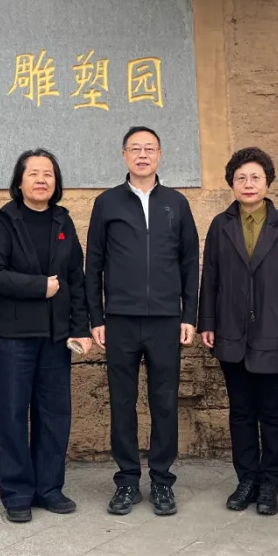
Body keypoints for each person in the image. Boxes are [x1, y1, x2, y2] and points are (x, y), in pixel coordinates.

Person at [86, 126, 199, 516]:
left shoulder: (176, 203)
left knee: (164, 401)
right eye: (135, 148)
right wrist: (96, 316)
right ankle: (127, 482)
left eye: (150, 148)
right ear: (124, 155)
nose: (143, 155)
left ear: (160, 154)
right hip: (119, 319)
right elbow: (93, 264)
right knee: (123, 402)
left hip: (165, 320)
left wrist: (189, 314)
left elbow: (190, 262)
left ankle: (163, 481)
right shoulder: (107, 203)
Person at [0, 149, 92, 524]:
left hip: (56, 337)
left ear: (56, 182)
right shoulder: (5, 221)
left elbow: (76, 278)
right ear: (20, 181)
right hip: (12, 338)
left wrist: (80, 328)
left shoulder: (63, 220)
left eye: (48, 174)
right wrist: (38, 286)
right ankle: (16, 493)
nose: (41, 180)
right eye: (34, 173)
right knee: (12, 415)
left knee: (54, 414)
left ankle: (49, 488)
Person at [198, 147, 278, 516]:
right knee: (241, 412)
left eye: (255, 177)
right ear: (231, 183)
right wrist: (207, 322)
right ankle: (246, 479)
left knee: (273, 414)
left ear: (267, 182)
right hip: (231, 332)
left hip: (275, 333)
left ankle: (270, 483)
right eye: (241, 178)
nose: (248, 184)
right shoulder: (220, 225)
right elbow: (210, 278)